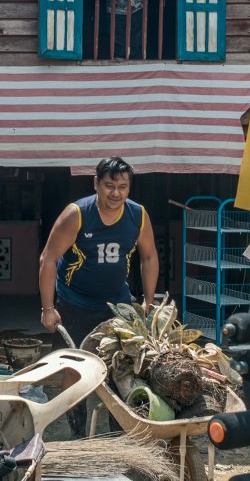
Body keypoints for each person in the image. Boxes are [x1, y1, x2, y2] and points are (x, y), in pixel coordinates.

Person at [38, 157, 160, 436]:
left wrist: (148, 302)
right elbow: (48, 259)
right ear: (96, 183)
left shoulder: (138, 214)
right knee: (73, 368)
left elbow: (150, 256)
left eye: (122, 187)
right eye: (108, 186)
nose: (115, 193)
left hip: (118, 304)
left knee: (123, 366)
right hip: (76, 302)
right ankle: (77, 431)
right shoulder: (77, 214)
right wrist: (47, 308)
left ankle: (118, 432)